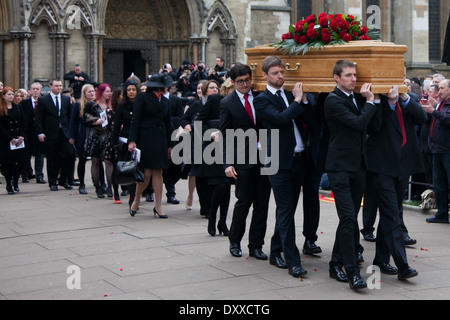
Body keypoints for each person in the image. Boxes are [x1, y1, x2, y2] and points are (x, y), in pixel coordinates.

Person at [253, 56, 314, 278]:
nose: (281, 76)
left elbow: (310, 118)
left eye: (282, 72)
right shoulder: (261, 100)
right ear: (265, 75)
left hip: (298, 159)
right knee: (286, 209)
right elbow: (280, 119)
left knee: (286, 210)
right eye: (276, 73)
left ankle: (275, 250)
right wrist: (297, 102)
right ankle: (293, 261)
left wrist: (304, 101)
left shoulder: (291, 95)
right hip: (276, 161)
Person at [324, 60, 377, 290]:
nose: (354, 79)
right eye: (348, 75)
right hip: (339, 168)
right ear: (336, 78)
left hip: (358, 167)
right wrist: (371, 103)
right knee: (348, 218)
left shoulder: (354, 98)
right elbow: (358, 124)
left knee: (348, 218)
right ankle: (352, 272)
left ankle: (335, 263)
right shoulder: (332, 100)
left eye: (355, 75)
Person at [364, 85, 422, 281]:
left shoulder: (408, 98)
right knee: (392, 214)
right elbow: (374, 127)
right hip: (382, 166)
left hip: (402, 165)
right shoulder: (374, 99)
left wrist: (404, 98)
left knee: (391, 215)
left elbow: (422, 118)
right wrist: (388, 102)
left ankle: (380, 259)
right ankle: (403, 265)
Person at [220, 62, 272, 259]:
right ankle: (235, 241)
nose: (245, 84)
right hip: (242, 160)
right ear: (233, 83)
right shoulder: (227, 103)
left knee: (262, 203)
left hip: (265, 156)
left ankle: (256, 244)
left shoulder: (260, 97)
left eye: (247, 80)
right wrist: (227, 163)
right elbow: (225, 135)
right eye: (240, 81)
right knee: (243, 202)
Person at [128, 73, 173, 218]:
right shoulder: (142, 98)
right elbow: (135, 119)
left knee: (158, 172)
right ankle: (136, 200)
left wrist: (170, 145)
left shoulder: (165, 101)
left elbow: (167, 123)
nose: (168, 87)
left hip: (160, 139)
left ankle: (158, 206)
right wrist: (132, 140)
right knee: (146, 173)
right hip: (146, 138)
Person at [196, 81, 231, 237]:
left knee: (227, 185)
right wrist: (210, 134)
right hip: (214, 148)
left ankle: (222, 222)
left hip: (231, 146)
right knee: (220, 185)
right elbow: (199, 121)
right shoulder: (215, 100)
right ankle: (212, 217)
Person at [35, 79, 74, 191]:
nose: (59, 88)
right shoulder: (43, 100)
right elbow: (38, 118)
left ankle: (64, 179)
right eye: (56, 86)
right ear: (51, 87)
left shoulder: (66, 99)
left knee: (68, 155)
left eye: (60, 86)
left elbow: (70, 116)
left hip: (64, 133)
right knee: (52, 159)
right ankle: (52, 182)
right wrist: (40, 132)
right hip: (51, 133)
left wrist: (72, 132)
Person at [423, 79, 450, 223]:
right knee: (439, 184)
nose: (439, 92)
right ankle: (442, 213)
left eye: (442, 88)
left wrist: (434, 111)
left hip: (447, 149)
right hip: (437, 149)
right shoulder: (441, 103)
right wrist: (430, 111)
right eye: (438, 88)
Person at [112, 79, 140, 212]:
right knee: (129, 170)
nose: (131, 92)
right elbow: (117, 125)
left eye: (133, 89)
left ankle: (140, 195)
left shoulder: (141, 104)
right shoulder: (122, 106)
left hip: (140, 140)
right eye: (129, 90)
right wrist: (113, 142)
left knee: (140, 169)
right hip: (125, 141)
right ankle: (132, 197)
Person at [83, 83, 112, 198]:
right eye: (107, 91)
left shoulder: (112, 104)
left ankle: (110, 187)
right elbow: (84, 118)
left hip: (108, 135)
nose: (109, 93)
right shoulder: (92, 104)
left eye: (110, 91)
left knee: (109, 161)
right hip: (95, 136)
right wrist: (96, 121)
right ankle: (98, 187)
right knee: (95, 161)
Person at [0, 86, 29, 194]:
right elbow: (1, 126)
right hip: (6, 139)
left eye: (12, 94)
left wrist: (21, 135)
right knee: (9, 163)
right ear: (3, 96)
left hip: (19, 138)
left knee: (22, 161)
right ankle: (8, 184)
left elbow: (23, 122)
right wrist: (10, 138)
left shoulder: (18, 107)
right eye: (9, 94)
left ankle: (15, 181)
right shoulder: (1, 108)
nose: (11, 96)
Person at [69, 84, 96, 195]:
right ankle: (82, 184)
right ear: (84, 93)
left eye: (93, 91)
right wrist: (71, 136)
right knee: (82, 160)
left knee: (96, 160)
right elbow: (73, 121)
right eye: (89, 92)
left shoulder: (96, 104)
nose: (92, 93)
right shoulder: (78, 105)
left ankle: (98, 182)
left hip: (95, 135)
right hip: (82, 135)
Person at [20, 82, 45, 184]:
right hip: (27, 133)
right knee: (26, 155)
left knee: (40, 155)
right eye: (33, 89)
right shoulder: (24, 103)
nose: (35, 91)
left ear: (41, 91)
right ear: (30, 91)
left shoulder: (44, 102)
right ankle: (25, 175)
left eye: (37, 89)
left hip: (39, 132)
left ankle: (39, 175)